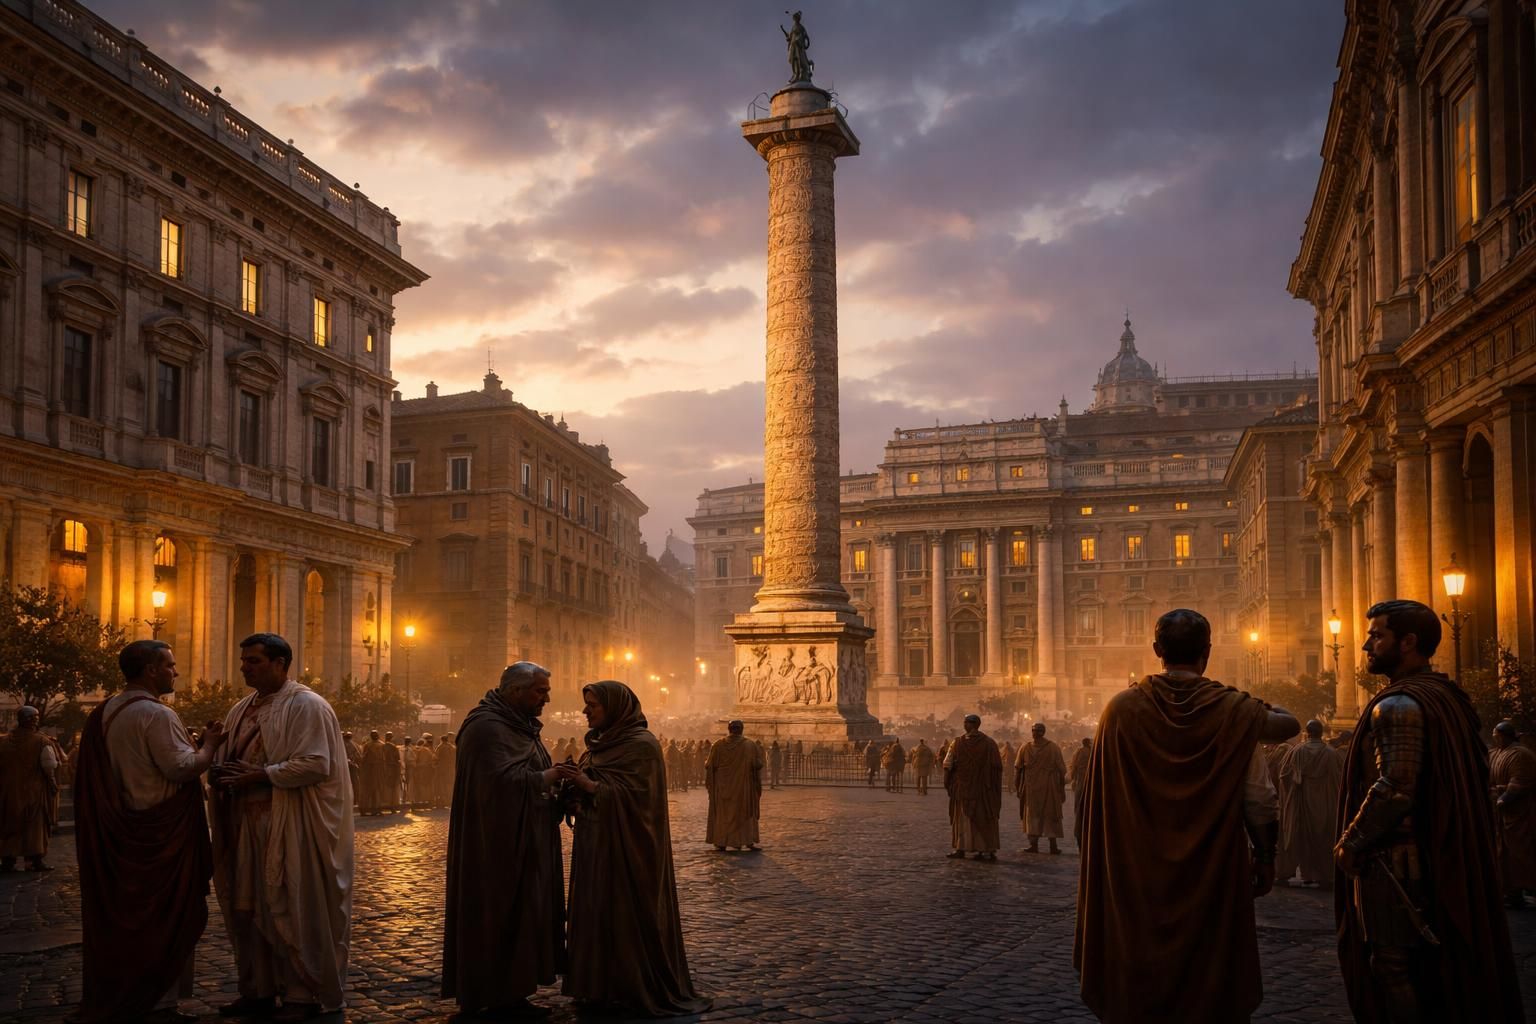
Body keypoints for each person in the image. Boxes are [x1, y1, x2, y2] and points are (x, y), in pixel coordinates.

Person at [1075, 608, 1298, 1023]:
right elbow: (1260, 793)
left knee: (1138, 960)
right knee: (1210, 962)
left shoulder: (1119, 709)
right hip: (1212, 870)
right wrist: (1266, 858)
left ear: (1156, 650)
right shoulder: (1233, 711)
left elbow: (1095, 795)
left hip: (1136, 869)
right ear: (1208, 652)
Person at [1336, 600, 1522, 1020]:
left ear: (1408, 642)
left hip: (1396, 860)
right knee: (1424, 966)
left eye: (1377, 635)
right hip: (1432, 854)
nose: (1366, 645)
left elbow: (1395, 787)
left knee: (1392, 966)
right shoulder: (1446, 697)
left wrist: (1350, 842)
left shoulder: (1398, 706)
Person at [74, 640, 226, 1023]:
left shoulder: (105, 711)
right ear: (149, 670)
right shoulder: (156, 714)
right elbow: (181, 768)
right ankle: (157, 1002)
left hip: (122, 830)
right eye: (170, 665)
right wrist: (208, 747)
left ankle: (125, 994)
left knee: (124, 925)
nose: (176, 672)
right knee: (163, 920)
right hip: (158, 834)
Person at [211, 633, 354, 1021]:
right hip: (245, 825)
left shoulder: (307, 705)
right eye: (244, 660)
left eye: (254, 660)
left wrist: (259, 776)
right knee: (249, 909)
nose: (245, 666)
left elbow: (315, 764)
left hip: (288, 824)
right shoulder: (241, 708)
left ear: (280, 663)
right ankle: (257, 989)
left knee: (289, 907)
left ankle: (301, 994)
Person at [557, 682, 710, 1016]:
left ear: (614, 707)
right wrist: (572, 790)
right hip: (594, 845)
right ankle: (594, 984)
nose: (585, 711)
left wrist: (589, 784)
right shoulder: (596, 746)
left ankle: (627, 984)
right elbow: (597, 790)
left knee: (622, 912)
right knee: (594, 909)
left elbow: (640, 801)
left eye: (592, 705)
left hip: (629, 850)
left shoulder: (642, 746)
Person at [443, 663, 564, 1019]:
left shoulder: (517, 725)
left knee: (523, 912)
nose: (547, 698)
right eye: (540, 691)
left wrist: (557, 785)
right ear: (515, 691)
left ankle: (513, 992)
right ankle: (492, 994)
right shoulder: (487, 728)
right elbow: (497, 785)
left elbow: (525, 775)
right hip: (493, 846)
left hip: (524, 837)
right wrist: (550, 775)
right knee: (497, 913)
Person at [1276, 720, 1341, 889]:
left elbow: (1284, 776)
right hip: (1324, 806)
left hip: (1299, 804)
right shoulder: (1331, 754)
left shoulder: (1296, 751)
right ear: (1321, 732)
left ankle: (1284, 874)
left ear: (1307, 732)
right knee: (1323, 839)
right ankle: (1324, 876)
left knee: (1295, 838)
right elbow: (1338, 781)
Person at [0, 705, 58, 872]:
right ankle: (34, 861)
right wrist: (53, 783)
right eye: (35, 717)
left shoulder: (4, 740)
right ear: (32, 720)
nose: (37, 719)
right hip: (34, 790)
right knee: (35, 826)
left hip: (9, 792)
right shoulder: (42, 741)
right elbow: (48, 766)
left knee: (10, 824)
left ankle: (8, 861)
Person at [943, 715, 1002, 861]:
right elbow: (997, 768)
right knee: (980, 818)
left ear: (974, 724)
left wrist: (948, 784)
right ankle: (978, 849)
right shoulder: (990, 743)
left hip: (972, 789)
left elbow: (947, 765)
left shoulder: (957, 743)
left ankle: (965, 848)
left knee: (968, 819)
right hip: (979, 789)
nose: (964, 724)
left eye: (967, 722)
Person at [1491, 721, 1536, 908]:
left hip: (1521, 815)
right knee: (1503, 856)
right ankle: (1511, 893)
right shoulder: (1497, 753)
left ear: (1503, 735)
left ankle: (1528, 888)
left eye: (1496, 734)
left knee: (1522, 855)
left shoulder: (1521, 754)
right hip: (1502, 817)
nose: (1494, 737)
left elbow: (1519, 782)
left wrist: (1502, 798)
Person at [705, 720, 763, 852]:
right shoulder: (750, 745)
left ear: (728, 729)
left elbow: (709, 765)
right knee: (743, 813)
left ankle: (721, 841)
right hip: (743, 788)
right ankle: (745, 840)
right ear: (742, 729)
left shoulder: (718, 745)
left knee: (722, 814)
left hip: (722, 787)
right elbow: (758, 765)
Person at [1016, 722, 1066, 854]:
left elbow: (1062, 770)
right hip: (1031, 788)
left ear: (1043, 732)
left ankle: (1053, 846)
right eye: (1034, 730)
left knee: (1051, 815)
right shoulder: (1025, 748)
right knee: (1032, 816)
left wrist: (1061, 789)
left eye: (1038, 731)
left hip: (1049, 788)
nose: (1035, 733)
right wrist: (1018, 787)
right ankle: (1034, 845)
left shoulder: (1053, 748)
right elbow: (1018, 769)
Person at [1068, 737, 1091, 848]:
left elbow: (1074, 765)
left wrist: (1072, 778)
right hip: (1090, 780)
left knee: (1079, 802)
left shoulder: (1079, 752)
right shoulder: (1093, 751)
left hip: (1081, 780)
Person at [358, 731, 386, 816]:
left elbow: (363, 758)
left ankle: (371, 809)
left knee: (371, 790)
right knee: (375, 789)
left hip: (372, 771)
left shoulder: (368, 745)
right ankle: (375, 809)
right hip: (374, 770)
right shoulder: (381, 745)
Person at [435, 733, 456, 809]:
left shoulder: (440, 747)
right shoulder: (452, 747)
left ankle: (442, 802)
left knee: (441, 786)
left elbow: (435, 758)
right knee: (450, 785)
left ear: (441, 740)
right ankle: (450, 801)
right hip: (451, 769)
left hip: (442, 769)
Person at [381, 731, 401, 813]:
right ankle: (392, 806)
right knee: (392, 788)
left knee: (384, 787)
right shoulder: (393, 747)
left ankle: (384, 805)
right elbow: (397, 759)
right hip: (392, 769)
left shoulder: (381, 746)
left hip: (383, 769)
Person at [342, 732, 361, 807]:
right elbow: (359, 756)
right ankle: (355, 799)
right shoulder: (354, 744)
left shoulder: (342, 744)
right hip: (353, 766)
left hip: (347, 766)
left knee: (348, 784)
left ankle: (352, 800)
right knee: (355, 783)